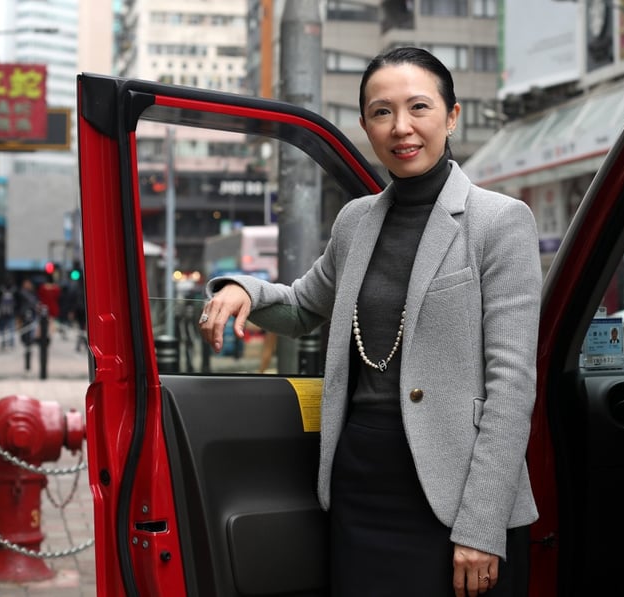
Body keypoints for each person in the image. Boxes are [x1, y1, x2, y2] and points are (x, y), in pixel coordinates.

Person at [200, 47, 540, 597]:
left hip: (456, 494)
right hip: (361, 484)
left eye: (419, 108)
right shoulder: (355, 221)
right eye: (382, 112)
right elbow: (303, 306)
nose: (401, 127)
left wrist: (481, 525)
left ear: (451, 116)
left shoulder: (499, 222)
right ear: (365, 125)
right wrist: (244, 289)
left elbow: (512, 386)